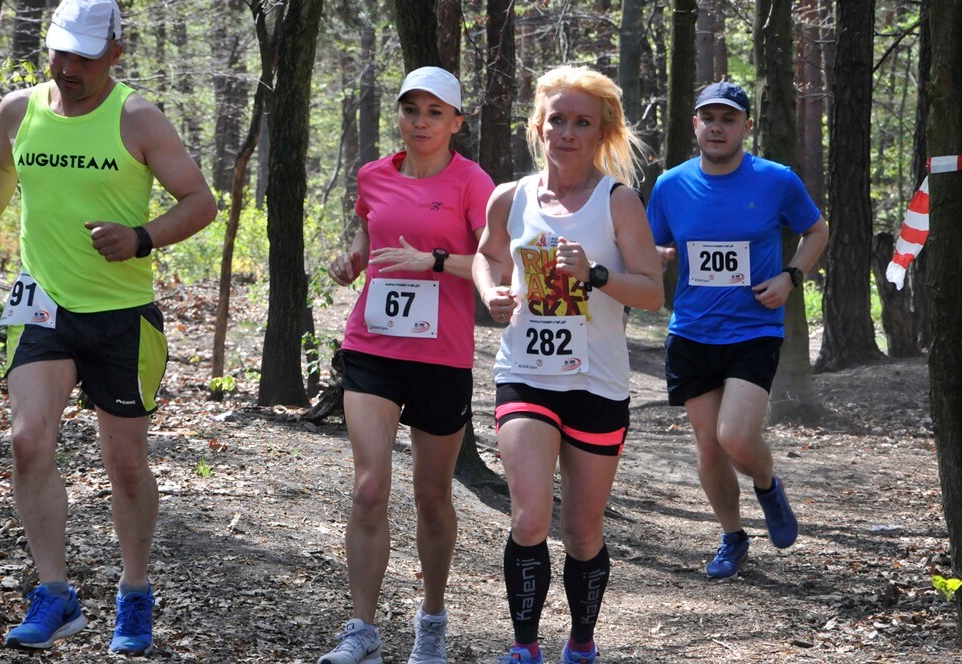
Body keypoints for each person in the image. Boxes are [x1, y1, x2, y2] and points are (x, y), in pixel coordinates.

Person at [0, 0, 217, 654]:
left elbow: (200, 201)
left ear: (115, 53)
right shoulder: (19, 109)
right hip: (42, 305)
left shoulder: (137, 118)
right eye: (59, 52)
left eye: (83, 56)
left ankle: (134, 593)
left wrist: (141, 237)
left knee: (125, 464)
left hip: (121, 316)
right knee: (27, 441)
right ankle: (55, 594)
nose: (67, 67)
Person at [473, 65, 664, 664]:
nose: (568, 133)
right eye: (558, 120)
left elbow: (652, 293)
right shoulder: (510, 197)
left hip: (597, 383)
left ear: (602, 132)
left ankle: (580, 644)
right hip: (525, 375)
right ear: (539, 126)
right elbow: (486, 255)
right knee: (530, 518)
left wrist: (596, 274)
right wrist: (491, 291)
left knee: (583, 532)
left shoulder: (619, 202)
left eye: (582, 122)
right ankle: (524, 647)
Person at [319, 66, 494, 664]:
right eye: (411, 109)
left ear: (456, 123)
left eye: (434, 112)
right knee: (369, 488)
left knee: (432, 497)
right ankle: (361, 631)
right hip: (373, 345)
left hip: (441, 355)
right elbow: (370, 241)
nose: (421, 122)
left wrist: (434, 261)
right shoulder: (374, 175)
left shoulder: (473, 182)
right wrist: (352, 262)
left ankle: (432, 622)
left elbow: (492, 265)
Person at [646, 81, 829, 579]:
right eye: (708, 118)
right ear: (695, 125)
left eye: (728, 119)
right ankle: (733, 537)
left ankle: (767, 483)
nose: (717, 128)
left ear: (746, 126)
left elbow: (816, 230)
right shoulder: (670, 185)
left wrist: (791, 277)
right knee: (709, 446)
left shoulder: (776, 180)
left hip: (753, 328)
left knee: (736, 438)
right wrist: (655, 257)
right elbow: (652, 246)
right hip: (691, 331)